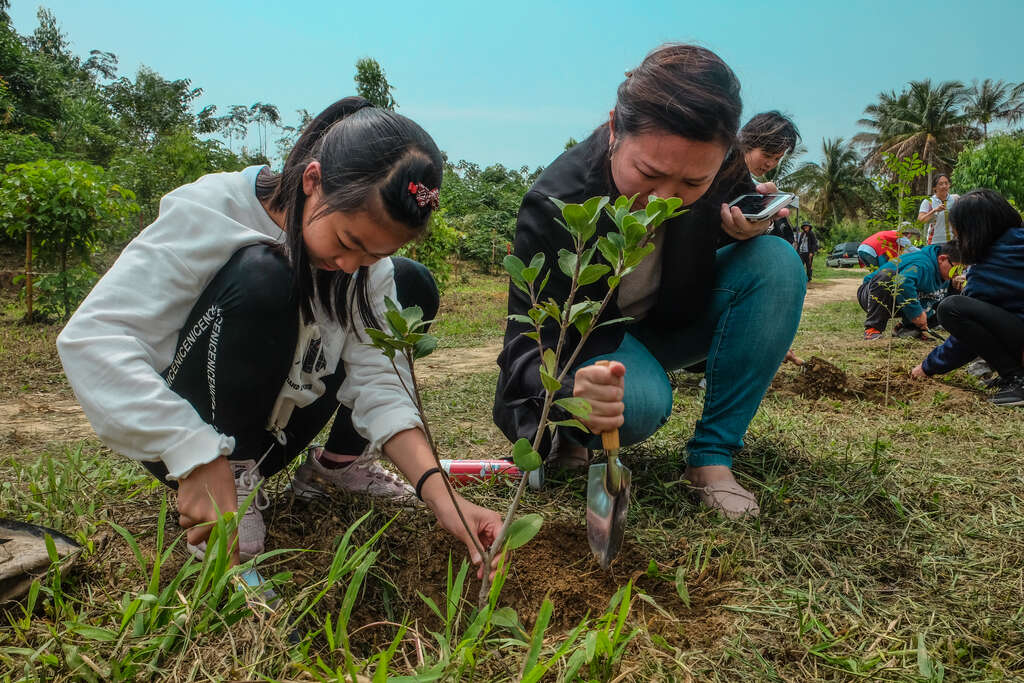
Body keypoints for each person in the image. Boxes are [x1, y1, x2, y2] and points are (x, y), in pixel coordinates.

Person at [57, 97, 501, 574]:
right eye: (347, 242)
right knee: (266, 272)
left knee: (409, 282)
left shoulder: (362, 268)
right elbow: (93, 339)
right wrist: (192, 451)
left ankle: (338, 466)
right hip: (192, 427)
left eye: (372, 255)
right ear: (313, 181)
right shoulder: (214, 210)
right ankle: (229, 474)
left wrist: (441, 495)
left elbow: (381, 377)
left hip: (281, 427)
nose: (350, 266)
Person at [494, 44, 806, 520]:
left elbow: (737, 212)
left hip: (667, 323)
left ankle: (711, 457)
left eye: (693, 184)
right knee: (637, 404)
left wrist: (750, 224)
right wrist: (573, 389)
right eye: (649, 173)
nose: (665, 199)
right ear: (615, 129)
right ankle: (574, 436)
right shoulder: (558, 202)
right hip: (590, 348)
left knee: (776, 262)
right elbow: (526, 345)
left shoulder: (717, 165)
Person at [911, 189, 1024, 406]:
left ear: (972, 231)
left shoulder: (988, 265)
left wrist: (927, 367)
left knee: (952, 308)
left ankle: (1017, 378)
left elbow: (966, 341)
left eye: (958, 233)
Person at [858, 241, 961, 340]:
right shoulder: (923, 264)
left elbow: (934, 298)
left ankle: (908, 328)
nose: (958, 274)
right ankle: (873, 329)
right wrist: (916, 313)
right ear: (942, 259)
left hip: (901, 298)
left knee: (955, 293)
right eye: (956, 269)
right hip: (872, 294)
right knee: (888, 276)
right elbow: (901, 282)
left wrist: (956, 288)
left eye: (962, 270)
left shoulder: (944, 272)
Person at [736, 111, 800, 242]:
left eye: (777, 159)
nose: (770, 164)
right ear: (747, 143)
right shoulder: (728, 174)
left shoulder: (752, 184)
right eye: (767, 155)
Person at [918, 174, 959, 244]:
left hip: (953, 241)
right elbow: (921, 220)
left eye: (946, 183)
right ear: (934, 188)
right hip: (934, 241)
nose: (944, 186)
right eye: (941, 184)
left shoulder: (955, 199)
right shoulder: (928, 201)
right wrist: (935, 210)